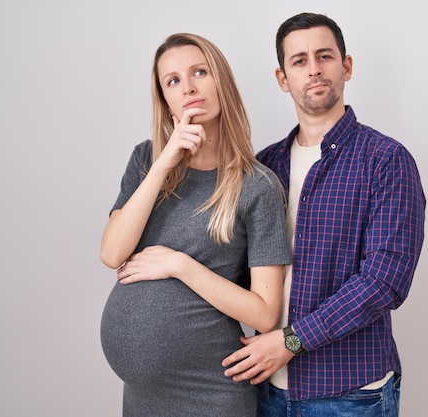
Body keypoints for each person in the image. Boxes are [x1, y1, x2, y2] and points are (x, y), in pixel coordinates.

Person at [222, 13, 426, 417]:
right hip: (264, 388)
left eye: (324, 56)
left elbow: (385, 281)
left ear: (346, 66)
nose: (313, 69)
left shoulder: (386, 160)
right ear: (283, 78)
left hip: (350, 394)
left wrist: (290, 341)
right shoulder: (263, 168)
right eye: (299, 60)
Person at [99, 33, 292, 417]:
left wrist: (179, 265)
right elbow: (111, 253)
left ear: (220, 81)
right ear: (165, 98)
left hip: (210, 389)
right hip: (142, 397)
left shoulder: (258, 185)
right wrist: (164, 162)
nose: (187, 87)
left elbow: (265, 313)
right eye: (172, 81)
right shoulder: (146, 160)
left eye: (199, 72)